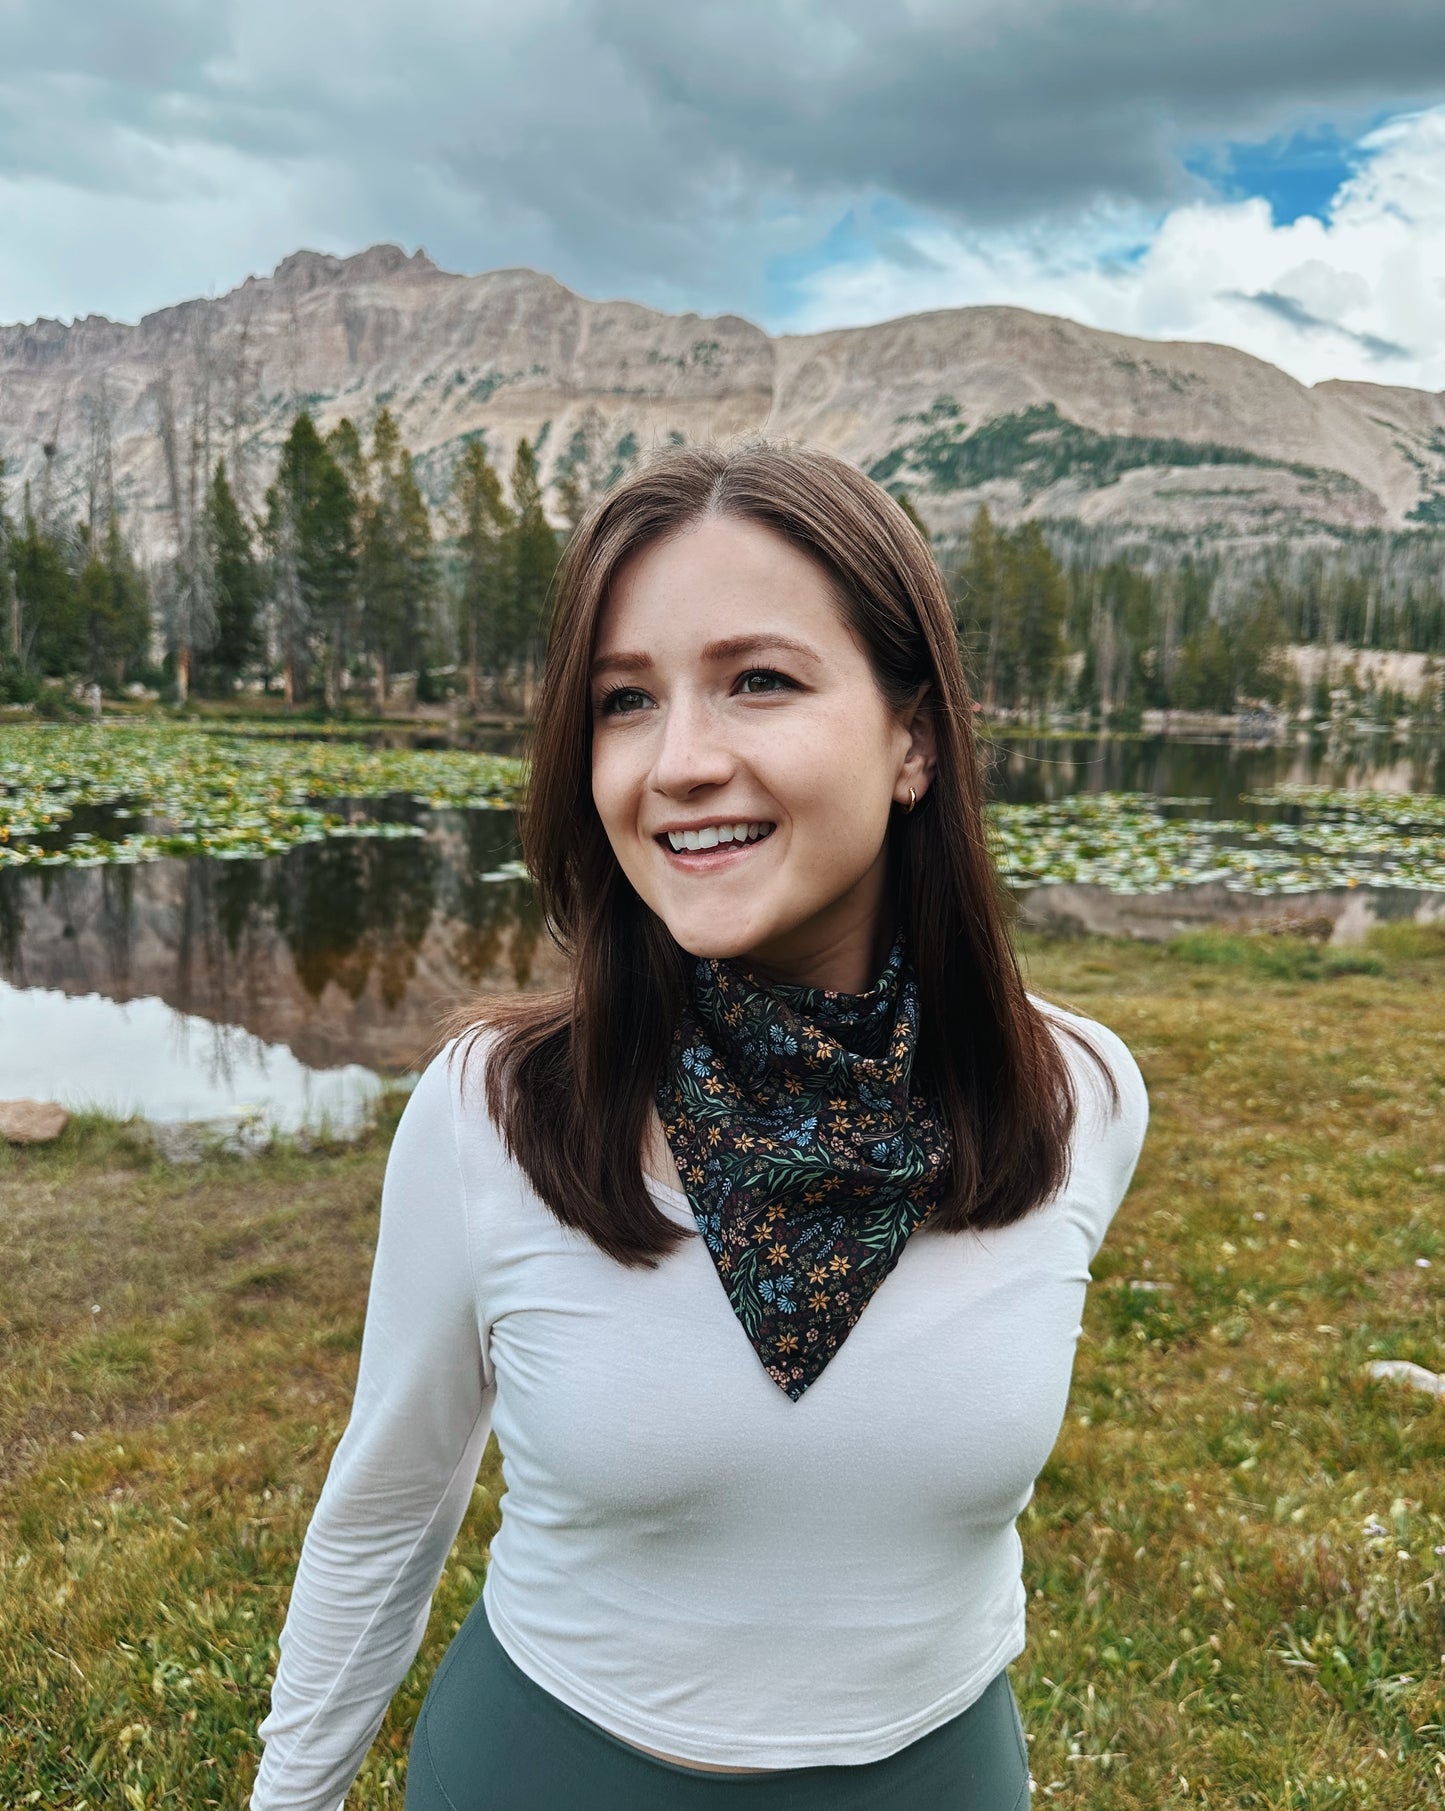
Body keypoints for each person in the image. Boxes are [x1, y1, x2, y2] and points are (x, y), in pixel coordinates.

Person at [250, 441, 1148, 1811]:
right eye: (623, 700)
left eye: (759, 680)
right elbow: (385, 1510)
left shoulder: (1077, 1097)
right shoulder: (493, 1112)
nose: (676, 763)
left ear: (912, 738)